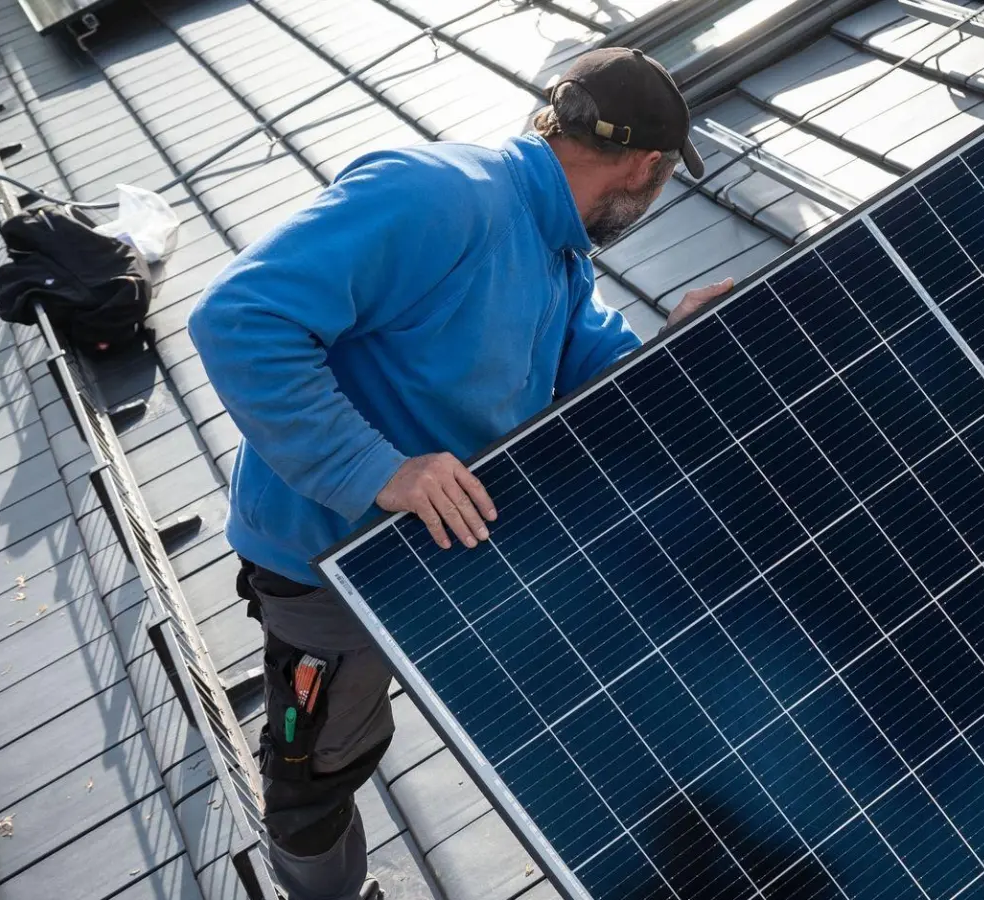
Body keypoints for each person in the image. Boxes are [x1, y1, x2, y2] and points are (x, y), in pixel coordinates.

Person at [188, 47, 734, 900]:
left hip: (451, 546)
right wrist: (381, 470)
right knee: (318, 765)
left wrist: (676, 346)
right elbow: (238, 318)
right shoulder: (444, 195)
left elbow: (590, 372)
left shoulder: (557, 248)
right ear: (644, 167)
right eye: (662, 180)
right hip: (330, 561)